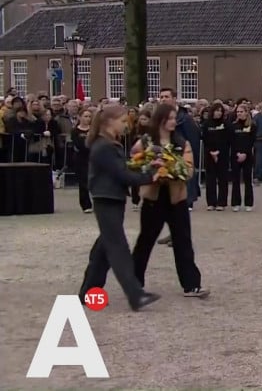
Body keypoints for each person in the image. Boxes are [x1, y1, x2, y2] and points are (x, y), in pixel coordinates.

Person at [78, 105, 161, 311]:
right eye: (123, 121)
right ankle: (135, 294)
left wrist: (148, 167)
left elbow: (123, 169)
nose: (126, 125)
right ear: (109, 122)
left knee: (105, 246)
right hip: (106, 198)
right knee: (118, 247)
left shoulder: (108, 144)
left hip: (110, 197)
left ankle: (88, 292)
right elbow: (122, 174)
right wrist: (150, 176)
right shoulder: (104, 146)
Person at [131, 103, 210, 298]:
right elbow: (134, 163)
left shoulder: (182, 143)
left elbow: (189, 170)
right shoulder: (145, 142)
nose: (175, 121)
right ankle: (133, 283)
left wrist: (173, 168)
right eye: (172, 118)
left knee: (183, 240)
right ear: (161, 120)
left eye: (175, 118)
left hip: (177, 198)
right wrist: (151, 168)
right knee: (146, 241)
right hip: (153, 197)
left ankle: (191, 284)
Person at [201, 102, 231, 211]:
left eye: (220, 111)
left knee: (223, 178)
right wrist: (211, 152)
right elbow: (205, 139)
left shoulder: (226, 124)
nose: (218, 113)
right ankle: (211, 202)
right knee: (210, 179)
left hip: (222, 154)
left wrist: (219, 152)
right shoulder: (207, 124)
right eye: (216, 110)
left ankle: (221, 202)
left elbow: (227, 140)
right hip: (209, 154)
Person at [230, 104, 256, 211]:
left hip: (248, 155)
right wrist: (238, 154)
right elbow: (232, 141)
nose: (239, 113)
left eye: (241, 111)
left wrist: (245, 153)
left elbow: (251, 141)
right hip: (236, 155)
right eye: (238, 112)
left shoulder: (252, 126)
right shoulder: (233, 126)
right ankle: (236, 203)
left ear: (246, 112)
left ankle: (248, 203)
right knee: (235, 180)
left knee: (247, 179)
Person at [70, 108, 93, 213]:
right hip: (81, 158)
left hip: (93, 157)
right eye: (85, 116)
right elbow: (78, 145)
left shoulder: (93, 130)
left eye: (89, 116)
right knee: (83, 181)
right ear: (80, 117)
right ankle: (85, 204)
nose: (87, 119)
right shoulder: (75, 131)